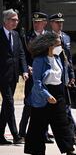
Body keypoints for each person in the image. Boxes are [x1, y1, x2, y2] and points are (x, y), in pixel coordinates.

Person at [24, 32, 76, 155]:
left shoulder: (58, 58)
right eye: (58, 44)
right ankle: (36, 153)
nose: (60, 46)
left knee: (62, 122)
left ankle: (69, 150)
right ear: (50, 45)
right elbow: (37, 82)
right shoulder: (39, 60)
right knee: (38, 125)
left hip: (58, 92)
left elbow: (61, 76)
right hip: (43, 94)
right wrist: (47, 95)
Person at [18, 12, 54, 144]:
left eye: (39, 22)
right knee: (29, 104)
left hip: (47, 76)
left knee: (46, 105)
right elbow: (22, 55)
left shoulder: (50, 37)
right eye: (34, 22)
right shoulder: (27, 37)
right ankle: (22, 132)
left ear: (45, 23)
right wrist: (27, 67)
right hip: (33, 76)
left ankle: (44, 133)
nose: (36, 24)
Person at [49, 13, 76, 137]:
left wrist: (71, 74)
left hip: (65, 74)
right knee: (58, 103)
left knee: (65, 102)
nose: (60, 24)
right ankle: (72, 128)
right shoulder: (47, 38)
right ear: (51, 23)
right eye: (57, 22)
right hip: (53, 74)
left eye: (61, 22)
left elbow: (69, 58)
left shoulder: (66, 37)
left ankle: (72, 128)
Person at [0, 9, 28, 145]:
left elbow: (21, 54)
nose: (16, 22)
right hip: (2, 76)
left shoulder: (16, 35)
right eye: (13, 19)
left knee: (6, 105)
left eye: (17, 19)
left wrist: (24, 70)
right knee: (10, 103)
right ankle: (16, 135)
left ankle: (0, 135)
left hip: (13, 75)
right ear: (5, 21)